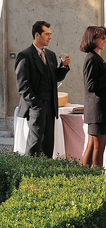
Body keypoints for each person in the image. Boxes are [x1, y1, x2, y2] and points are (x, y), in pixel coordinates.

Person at [15, 21, 71, 158]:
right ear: (37, 35)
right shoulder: (25, 56)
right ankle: (30, 174)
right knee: (34, 144)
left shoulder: (51, 55)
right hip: (36, 106)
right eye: (47, 34)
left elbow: (54, 77)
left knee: (48, 144)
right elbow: (22, 85)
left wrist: (64, 66)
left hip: (51, 107)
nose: (50, 37)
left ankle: (45, 175)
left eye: (50, 34)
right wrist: (35, 104)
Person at [80, 26, 106, 168]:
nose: (105, 41)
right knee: (98, 147)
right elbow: (90, 86)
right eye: (102, 38)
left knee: (93, 146)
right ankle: (97, 179)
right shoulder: (91, 58)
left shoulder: (95, 57)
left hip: (99, 110)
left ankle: (86, 177)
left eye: (105, 38)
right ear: (92, 39)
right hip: (97, 110)